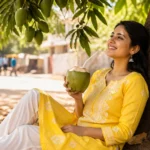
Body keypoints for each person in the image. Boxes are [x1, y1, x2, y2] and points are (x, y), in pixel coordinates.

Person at [0, 20, 149, 150]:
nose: (111, 40)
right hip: (77, 127)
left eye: (120, 37)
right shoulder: (99, 75)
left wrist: (81, 131)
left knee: (25, 133)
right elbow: (80, 116)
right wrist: (78, 98)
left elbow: (124, 132)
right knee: (34, 96)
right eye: (112, 35)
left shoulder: (135, 82)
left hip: (98, 144)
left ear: (134, 49)